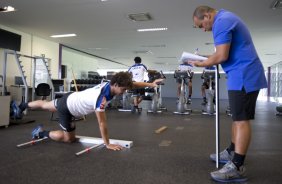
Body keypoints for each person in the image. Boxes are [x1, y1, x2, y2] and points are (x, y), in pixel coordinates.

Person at [191, 6, 267, 182]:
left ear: (207, 15)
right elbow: (220, 53)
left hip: (244, 75)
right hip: (238, 74)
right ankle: (232, 151)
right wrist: (203, 58)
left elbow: (221, 56)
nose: (203, 29)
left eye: (201, 25)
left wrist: (200, 64)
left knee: (241, 120)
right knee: (237, 118)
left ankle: (237, 166)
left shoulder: (222, 22)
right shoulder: (224, 19)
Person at [14, 72, 162, 151]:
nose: (124, 92)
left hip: (70, 98)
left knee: (46, 105)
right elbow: (102, 123)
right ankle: (40, 133)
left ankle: (22, 106)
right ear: (115, 84)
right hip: (68, 109)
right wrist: (107, 144)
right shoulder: (101, 98)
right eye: (123, 89)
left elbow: (134, 84)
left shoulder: (108, 83)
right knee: (68, 139)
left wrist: (150, 83)